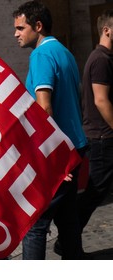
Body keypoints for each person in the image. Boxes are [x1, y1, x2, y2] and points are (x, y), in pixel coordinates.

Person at [13, 1, 87, 259]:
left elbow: (44, 108)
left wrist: (54, 160)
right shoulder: (64, 52)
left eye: (21, 28)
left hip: (59, 153)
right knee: (67, 219)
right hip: (74, 146)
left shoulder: (41, 55)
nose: (16, 34)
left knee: (36, 223)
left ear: (38, 26)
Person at [78, 9, 113, 241]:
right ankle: (68, 237)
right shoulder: (101, 59)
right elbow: (101, 100)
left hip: (104, 136)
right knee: (95, 192)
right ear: (106, 30)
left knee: (97, 190)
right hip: (103, 137)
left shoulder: (105, 58)